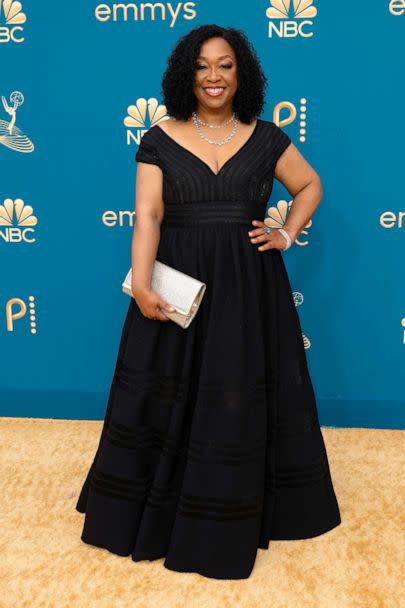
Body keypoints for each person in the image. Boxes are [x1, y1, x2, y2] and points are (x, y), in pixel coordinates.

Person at [76, 24, 341, 580]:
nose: (214, 76)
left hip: (250, 285)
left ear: (241, 73)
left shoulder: (268, 137)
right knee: (168, 391)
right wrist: (143, 284)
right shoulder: (160, 136)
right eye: (202, 65)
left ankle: (236, 511)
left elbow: (310, 186)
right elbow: (148, 214)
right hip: (178, 282)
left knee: (237, 393)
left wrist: (287, 232)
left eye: (225, 64)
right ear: (186, 75)